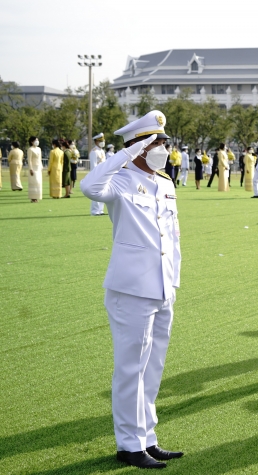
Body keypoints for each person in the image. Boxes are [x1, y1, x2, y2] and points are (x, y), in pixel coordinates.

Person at [80, 110, 183, 469]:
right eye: (157, 143)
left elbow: (173, 237)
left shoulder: (166, 184)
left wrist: (174, 281)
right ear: (139, 146)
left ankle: (147, 438)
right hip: (131, 290)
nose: (163, 149)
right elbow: (89, 187)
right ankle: (128, 444)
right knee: (130, 369)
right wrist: (126, 153)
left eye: (164, 142)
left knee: (152, 368)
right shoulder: (119, 181)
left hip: (162, 286)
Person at [89, 133, 107, 215]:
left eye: (103, 141)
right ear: (96, 142)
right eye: (100, 141)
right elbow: (94, 165)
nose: (102, 142)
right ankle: (95, 211)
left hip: (103, 174)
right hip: (97, 175)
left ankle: (100, 210)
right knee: (95, 193)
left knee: (102, 192)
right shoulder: (94, 152)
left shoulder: (102, 151)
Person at [27, 137, 43, 202]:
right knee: (34, 181)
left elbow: (40, 158)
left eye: (37, 140)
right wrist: (31, 168)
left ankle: (37, 197)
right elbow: (29, 160)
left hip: (38, 167)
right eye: (35, 140)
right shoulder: (30, 149)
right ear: (32, 141)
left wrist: (41, 166)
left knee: (38, 182)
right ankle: (33, 198)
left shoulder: (39, 149)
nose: (37, 141)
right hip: (33, 167)